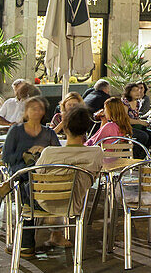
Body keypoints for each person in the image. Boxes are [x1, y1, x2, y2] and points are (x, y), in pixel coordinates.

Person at [38, 104, 104, 248]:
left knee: (23, 184)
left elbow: (38, 176)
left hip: (44, 203)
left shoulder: (49, 152)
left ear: (65, 128)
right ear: (87, 129)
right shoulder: (97, 153)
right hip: (75, 202)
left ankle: (24, 242)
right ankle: (56, 233)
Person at [2, 96, 60, 256]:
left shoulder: (49, 133)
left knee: (31, 184)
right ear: (26, 111)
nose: (37, 111)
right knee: (27, 182)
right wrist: (26, 153)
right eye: (33, 108)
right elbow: (6, 157)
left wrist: (43, 151)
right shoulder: (16, 131)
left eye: (40, 108)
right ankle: (40, 209)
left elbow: (57, 156)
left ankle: (26, 244)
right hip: (21, 173)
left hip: (43, 175)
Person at [121, 83, 151, 152]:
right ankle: (134, 155)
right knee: (143, 136)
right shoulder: (125, 102)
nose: (138, 92)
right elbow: (125, 119)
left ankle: (142, 156)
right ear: (129, 92)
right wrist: (140, 122)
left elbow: (136, 117)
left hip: (135, 126)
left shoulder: (137, 102)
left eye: (138, 90)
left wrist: (143, 122)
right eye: (134, 91)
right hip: (126, 127)